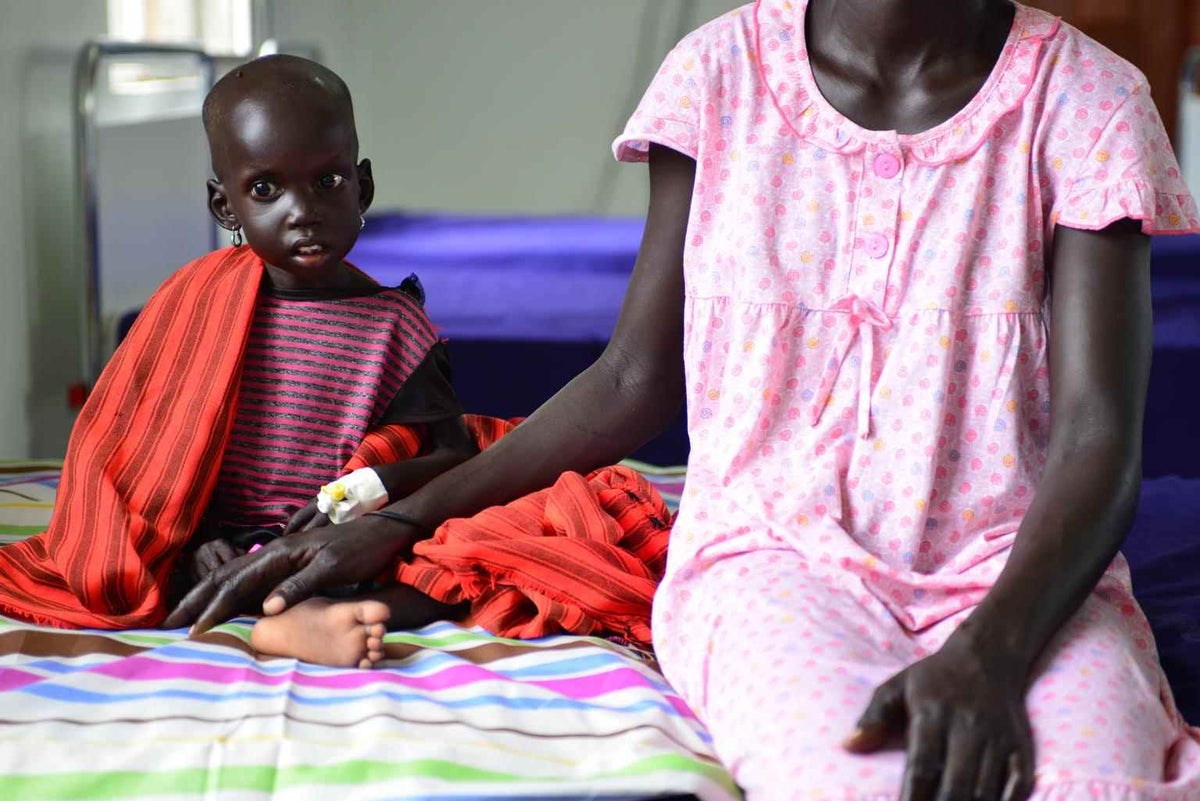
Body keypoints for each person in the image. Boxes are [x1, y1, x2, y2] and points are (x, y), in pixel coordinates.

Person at [167, 2, 1200, 799]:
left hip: (1014, 572)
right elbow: (631, 380)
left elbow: (1097, 438)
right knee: (846, 778)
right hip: (775, 561)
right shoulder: (719, 76)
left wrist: (992, 651)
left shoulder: (1088, 100)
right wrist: (401, 517)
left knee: (1094, 780)